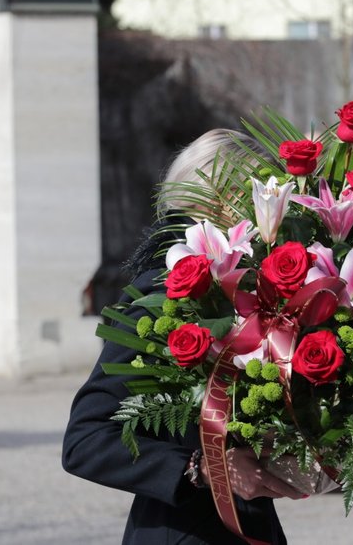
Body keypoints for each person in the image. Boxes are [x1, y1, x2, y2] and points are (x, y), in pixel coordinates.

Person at [62, 129, 303, 545]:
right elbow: (85, 439)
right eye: (261, 193)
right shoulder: (161, 294)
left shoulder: (250, 291)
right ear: (216, 200)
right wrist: (204, 467)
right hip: (182, 532)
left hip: (252, 527)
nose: (277, 206)